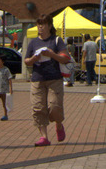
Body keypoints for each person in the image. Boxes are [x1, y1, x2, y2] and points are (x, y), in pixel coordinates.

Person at [24, 14, 71, 146]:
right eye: (38, 24)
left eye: (43, 24)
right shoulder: (33, 42)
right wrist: (33, 59)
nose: (40, 27)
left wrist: (52, 54)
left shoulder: (56, 40)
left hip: (54, 79)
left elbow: (65, 58)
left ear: (49, 26)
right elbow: (26, 61)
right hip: (37, 78)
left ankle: (59, 125)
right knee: (38, 108)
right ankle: (44, 137)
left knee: (54, 106)